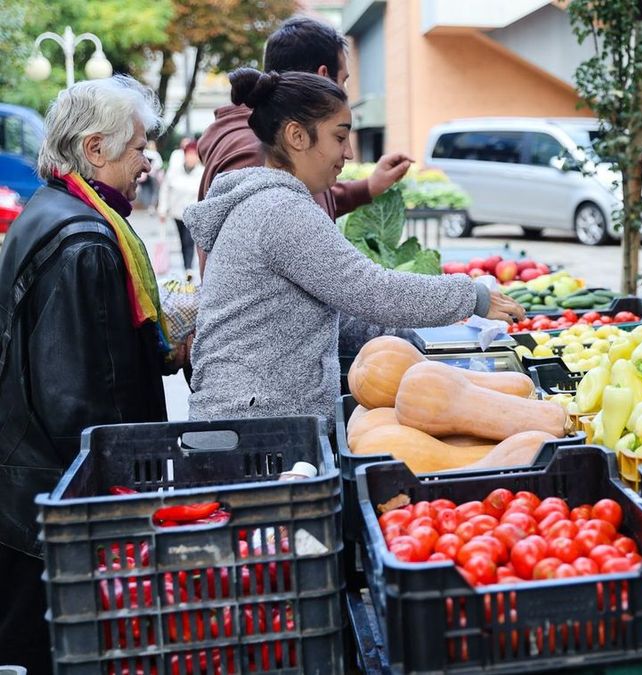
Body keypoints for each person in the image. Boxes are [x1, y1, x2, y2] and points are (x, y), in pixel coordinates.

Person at [184, 68, 525, 423]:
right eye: (339, 137)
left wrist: (407, 342)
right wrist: (472, 296)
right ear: (297, 136)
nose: (348, 152)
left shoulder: (273, 204)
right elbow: (374, 290)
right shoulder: (281, 212)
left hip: (254, 420)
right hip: (255, 430)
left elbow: (339, 306)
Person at [0, 76, 177, 674]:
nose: (147, 163)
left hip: (27, 487)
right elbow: (82, 403)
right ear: (95, 150)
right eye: (138, 149)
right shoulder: (84, 239)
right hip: (48, 501)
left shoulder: (51, 210)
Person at [196, 15, 416, 351]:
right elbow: (365, 286)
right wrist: (471, 296)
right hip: (263, 368)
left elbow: (307, 202)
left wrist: (368, 187)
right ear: (324, 77)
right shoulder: (256, 154)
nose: (348, 152)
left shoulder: (272, 149)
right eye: (343, 80)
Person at [158, 138, 204, 271]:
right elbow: (165, 190)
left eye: (194, 155)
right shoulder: (174, 171)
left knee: (189, 241)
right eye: (189, 154)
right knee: (183, 241)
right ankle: (186, 266)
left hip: (193, 215)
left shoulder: (202, 172)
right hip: (177, 213)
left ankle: (189, 268)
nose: (191, 158)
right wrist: (162, 209)